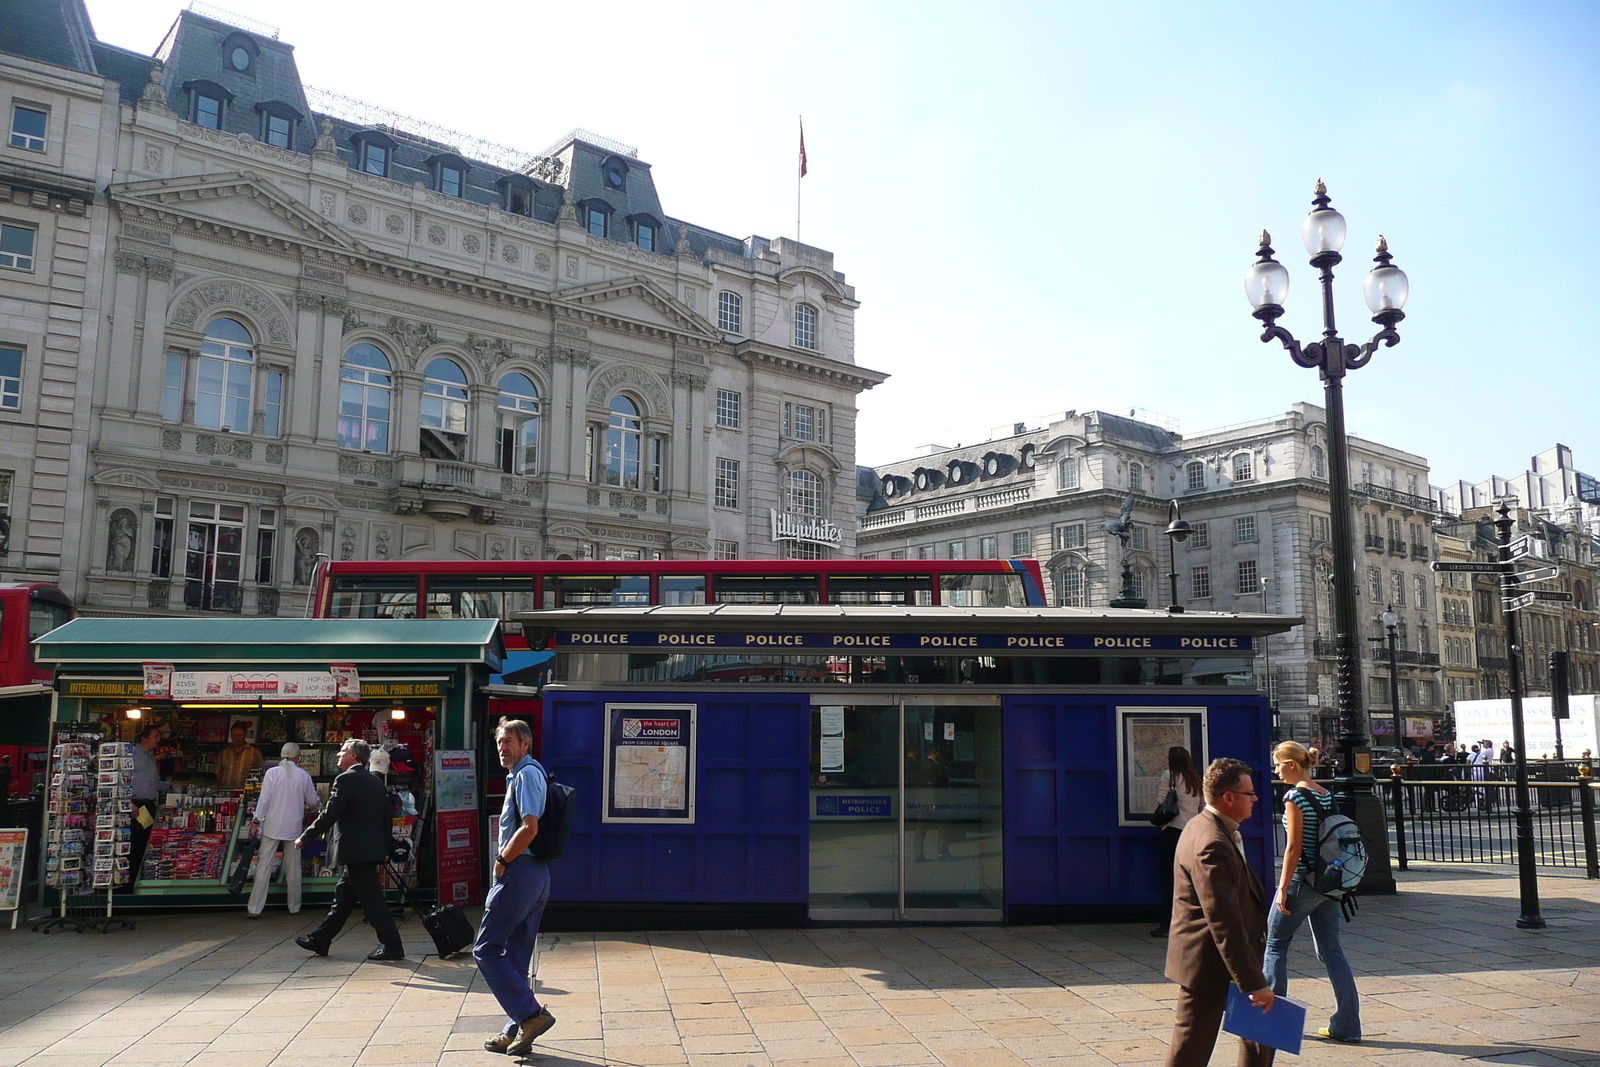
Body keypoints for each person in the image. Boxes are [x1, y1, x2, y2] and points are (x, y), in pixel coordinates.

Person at [1163, 757, 1275, 1067]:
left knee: (1261, 1038)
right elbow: (1224, 921)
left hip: (1226, 960)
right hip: (1209, 964)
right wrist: (1253, 982)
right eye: (1249, 793)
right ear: (1229, 797)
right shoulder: (1212, 842)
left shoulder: (1204, 826)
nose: (1254, 799)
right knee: (1190, 1051)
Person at [1262, 742, 1361, 1044]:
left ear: (1292, 764)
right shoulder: (1324, 793)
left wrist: (1282, 888)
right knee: (1331, 951)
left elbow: (1293, 847)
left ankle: (1272, 1025)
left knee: (1276, 945)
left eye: (1278, 765)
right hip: (1329, 883)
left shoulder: (1295, 797)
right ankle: (1347, 1025)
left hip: (1302, 881)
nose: (1276, 771)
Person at [477, 719, 557, 1056]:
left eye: (508, 741)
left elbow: (529, 827)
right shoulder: (523, 774)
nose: (502, 748)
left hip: (519, 872)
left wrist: (503, 860)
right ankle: (515, 1029)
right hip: (535, 874)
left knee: (486, 950)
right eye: (499, 742)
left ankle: (531, 1016)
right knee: (516, 957)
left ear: (525, 744)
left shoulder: (525, 774)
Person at [293, 739, 405, 960]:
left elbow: (330, 814)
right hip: (368, 850)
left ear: (353, 756)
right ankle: (321, 939)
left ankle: (392, 945)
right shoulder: (374, 781)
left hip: (355, 851)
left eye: (342, 751)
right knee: (343, 899)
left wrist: (305, 837)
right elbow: (386, 818)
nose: (338, 755)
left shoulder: (346, 780)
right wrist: (384, 847)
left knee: (373, 902)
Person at [246, 742, 321, 917]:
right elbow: (313, 801)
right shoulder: (303, 775)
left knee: (263, 866)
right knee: (293, 867)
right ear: (297, 757)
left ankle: (255, 908)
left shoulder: (272, 773)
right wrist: (319, 807)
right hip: (294, 827)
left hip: (272, 825)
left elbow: (264, 800)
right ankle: (294, 906)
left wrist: (257, 821)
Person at [1152, 745, 1205, 938]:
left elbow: (1160, 801)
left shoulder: (1169, 775)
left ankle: (1166, 924)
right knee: (1189, 880)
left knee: (1168, 880)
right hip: (1190, 834)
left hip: (1172, 832)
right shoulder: (1196, 779)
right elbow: (1202, 806)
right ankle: (1191, 921)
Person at [127, 725, 165, 886]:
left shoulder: (151, 757)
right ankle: (128, 882)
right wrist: (128, 804)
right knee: (133, 845)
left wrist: (169, 786)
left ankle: (136, 880)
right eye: (155, 736)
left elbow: (152, 782)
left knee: (144, 844)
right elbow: (122, 779)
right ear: (144, 738)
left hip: (148, 805)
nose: (158, 739)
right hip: (135, 806)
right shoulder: (132, 755)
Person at [216, 723, 264, 789]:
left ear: (245, 736)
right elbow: (218, 774)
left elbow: (261, 774)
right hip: (226, 792)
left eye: (240, 735)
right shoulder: (224, 753)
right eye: (235, 735)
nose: (237, 738)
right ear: (231, 736)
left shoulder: (255, 753)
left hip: (247, 792)